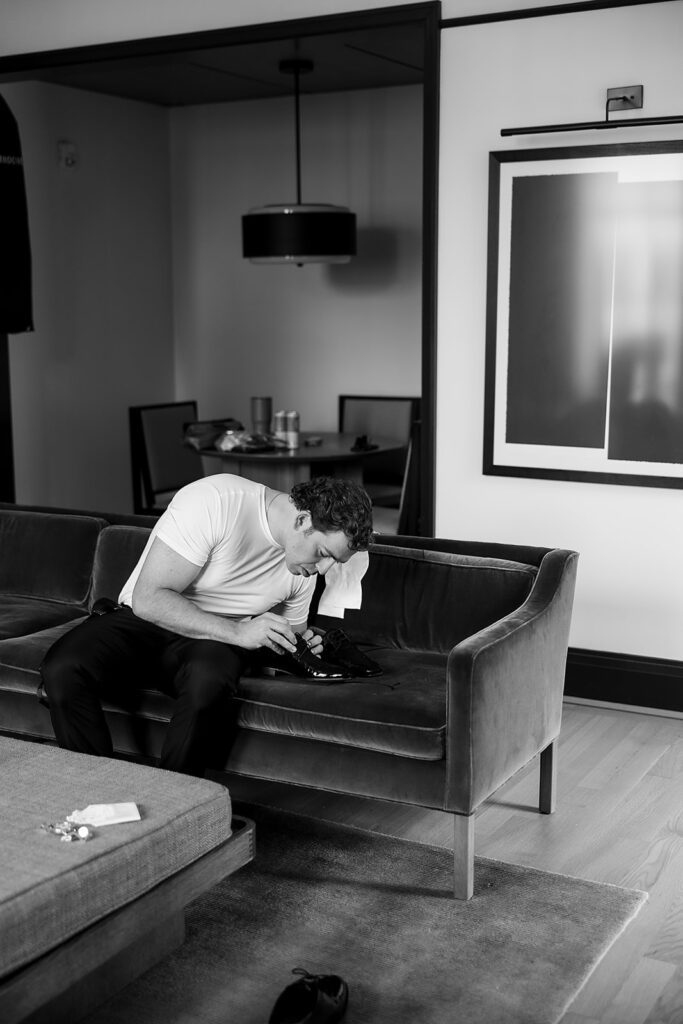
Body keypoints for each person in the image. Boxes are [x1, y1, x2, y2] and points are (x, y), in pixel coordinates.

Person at [41, 473, 374, 777]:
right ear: (302, 520)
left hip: (211, 645)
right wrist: (240, 631)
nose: (324, 569)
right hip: (146, 619)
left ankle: (178, 806)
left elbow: (288, 639)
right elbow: (149, 598)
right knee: (63, 667)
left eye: (335, 561)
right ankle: (92, 793)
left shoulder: (302, 569)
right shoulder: (217, 501)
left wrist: (301, 645)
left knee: (208, 683)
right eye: (323, 553)